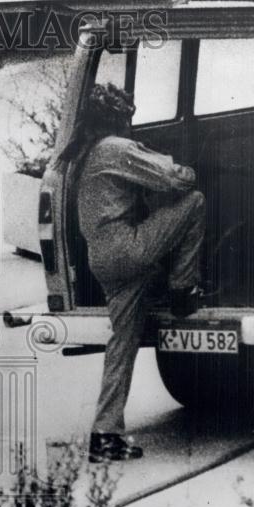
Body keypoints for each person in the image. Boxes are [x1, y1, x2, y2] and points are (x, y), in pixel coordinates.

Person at [61, 83, 205, 462]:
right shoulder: (117, 148)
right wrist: (189, 167)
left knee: (120, 347)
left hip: (103, 260)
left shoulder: (86, 152)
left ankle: (105, 435)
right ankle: (182, 290)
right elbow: (177, 180)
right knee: (194, 202)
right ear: (119, 117)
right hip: (127, 249)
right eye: (128, 116)